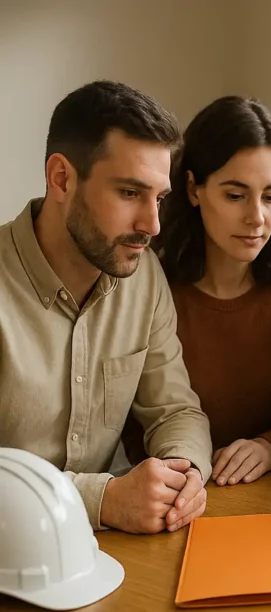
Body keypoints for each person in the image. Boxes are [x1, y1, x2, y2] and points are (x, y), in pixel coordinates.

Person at [0, 80, 212, 534]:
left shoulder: (143, 275)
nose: (152, 224)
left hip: (107, 553)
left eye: (159, 198)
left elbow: (175, 411)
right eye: (130, 193)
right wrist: (103, 500)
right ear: (62, 178)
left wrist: (185, 471)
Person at [128, 96, 271, 487]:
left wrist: (269, 447)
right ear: (193, 188)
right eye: (235, 196)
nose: (257, 217)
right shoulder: (147, 281)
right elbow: (129, 420)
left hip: (268, 487)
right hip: (165, 486)